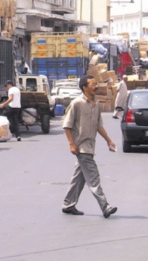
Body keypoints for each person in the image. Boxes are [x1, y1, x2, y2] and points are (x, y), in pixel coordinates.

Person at [61, 75, 117, 218]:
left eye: (96, 84)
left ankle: (68, 204)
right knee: (93, 177)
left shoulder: (96, 104)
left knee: (78, 178)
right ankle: (105, 206)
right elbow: (67, 126)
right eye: (92, 84)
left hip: (90, 146)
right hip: (81, 147)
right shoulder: (77, 103)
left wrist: (109, 140)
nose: (96, 86)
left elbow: (99, 126)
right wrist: (71, 144)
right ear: (84, 88)